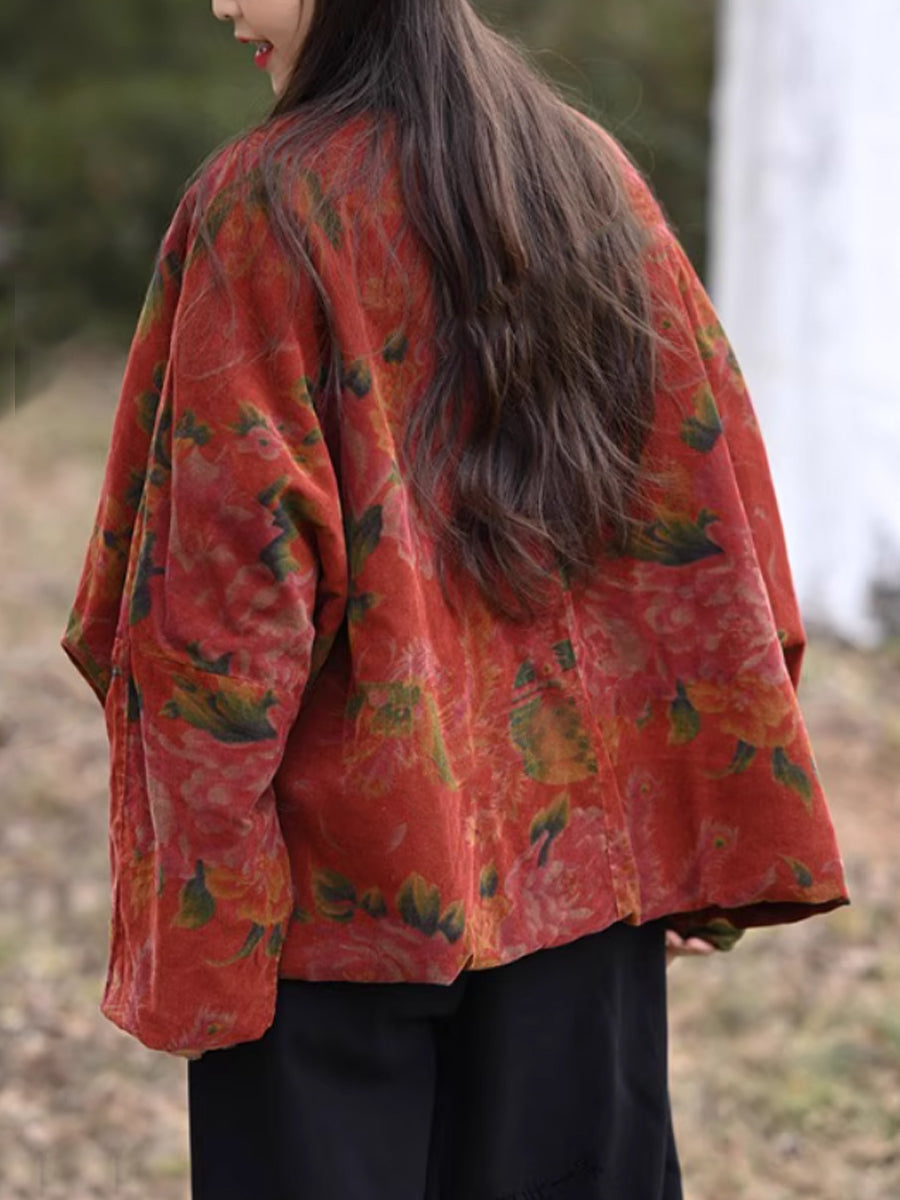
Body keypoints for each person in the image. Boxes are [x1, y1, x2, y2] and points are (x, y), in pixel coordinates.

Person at [60, 1, 851, 1196]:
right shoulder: (582, 170)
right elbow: (709, 509)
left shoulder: (267, 206)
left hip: (333, 929)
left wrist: (203, 923)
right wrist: (697, 818)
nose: (219, 0)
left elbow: (214, 622)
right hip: (582, 901)